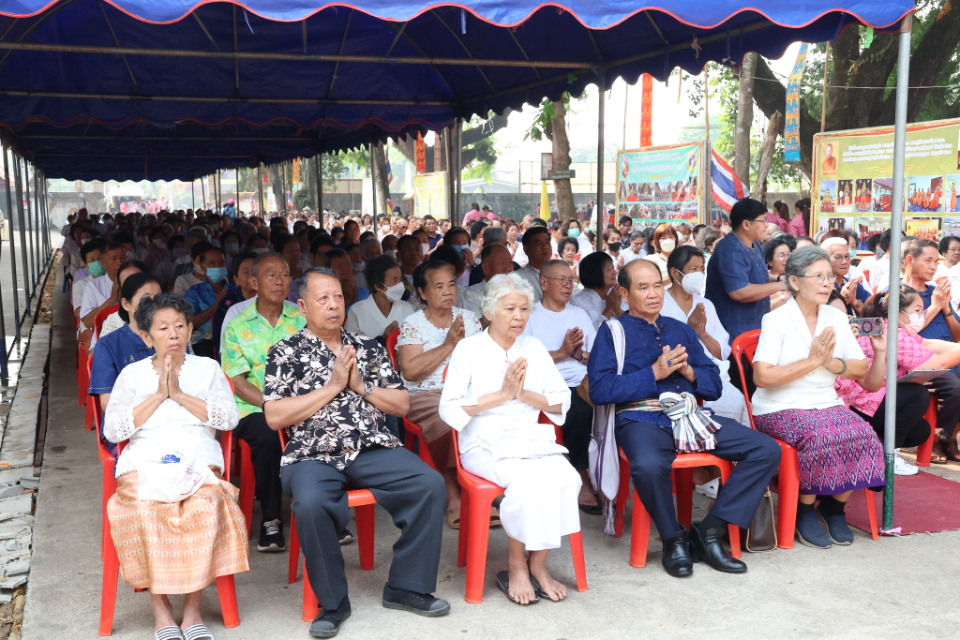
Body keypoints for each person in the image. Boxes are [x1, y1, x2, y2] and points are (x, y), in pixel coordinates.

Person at [264, 268, 449, 636]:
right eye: (323, 299)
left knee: (429, 484)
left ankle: (406, 587)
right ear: (302, 307)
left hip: (371, 447)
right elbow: (274, 417)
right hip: (312, 453)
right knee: (311, 503)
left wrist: (362, 387)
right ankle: (333, 603)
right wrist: (333, 387)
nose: (334, 305)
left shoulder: (367, 347)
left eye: (338, 297)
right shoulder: (285, 351)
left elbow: (401, 405)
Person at [588, 259, 781, 576]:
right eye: (642, 287)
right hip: (641, 418)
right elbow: (600, 390)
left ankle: (709, 532)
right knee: (649, 465)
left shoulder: (680, 330)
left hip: (691, 415)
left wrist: (690, 371)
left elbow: (714, 385)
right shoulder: (612, 333)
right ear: (624, 292)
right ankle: (672, 538)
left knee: (765, 449)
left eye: (657, 285)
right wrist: (654, 373)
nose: (653, 294)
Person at [104, 292, 246, 640]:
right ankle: (162, 610)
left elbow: (229, 419)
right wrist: (158, 395)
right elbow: (113, 430)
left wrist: (180, 394)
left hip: (197, 462)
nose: (173, 334)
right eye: (163, 328)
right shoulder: (132, 374)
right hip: (144, 462)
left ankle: (192, 610)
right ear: (146, 336)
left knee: (205, 506)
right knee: (145, 509)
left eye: (180, 326)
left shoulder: (208, 369)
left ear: (190, 329)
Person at [439, 273, 581, 604]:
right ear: (489, 311)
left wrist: (523, 394)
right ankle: (517, 565)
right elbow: (449, 408)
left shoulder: (534, 348)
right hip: (483, 441)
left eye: (524, 309)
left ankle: (538, 564)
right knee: (527, 484)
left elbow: (561, 400)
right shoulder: (468, 349)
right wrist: (502, 394)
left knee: (567, 478)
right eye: (509, 309)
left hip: (531, 439)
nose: (519, 316)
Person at [751, 246, 885, 548]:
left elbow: (860, 367)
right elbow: (762, 377)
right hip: (778, 405)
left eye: (829, 277)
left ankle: (834, 508)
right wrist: (813, 361)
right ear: (795, 282)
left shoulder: (836, 317)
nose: (827, 283)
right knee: (821, 436)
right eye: (818, 277)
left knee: (864, 434)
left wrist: (831, 363)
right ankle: (804, 510)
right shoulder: (776, 319)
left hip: (825, 402)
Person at [221, 254, 307, 552]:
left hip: (301, 403)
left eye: (285, 274)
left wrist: (300, 405)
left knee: (324, 425)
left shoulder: (302, 318)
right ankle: (271, 517)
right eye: (271, 275)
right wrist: (274, 405)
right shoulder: (237, 324)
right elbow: (238, 381)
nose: (280, 281)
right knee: (269, 436)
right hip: (254, 407)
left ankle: (326, 512)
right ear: (253, 282)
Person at [397, 262, 484, 528]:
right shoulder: (413, 324)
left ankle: (479, 482)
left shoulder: (469, 319)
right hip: (426, 392)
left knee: (488, 415)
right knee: (448, 418)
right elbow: (411, 371)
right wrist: (449, 344)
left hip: (465, 389)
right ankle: (453, 486)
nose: (448, 291)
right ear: (422, 293)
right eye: (439, 286)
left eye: (451, 284)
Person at [838, 288, 960, 472]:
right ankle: (888, 456)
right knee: (918, 394)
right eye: (917, 311)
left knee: (921, 431)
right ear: (897, 311)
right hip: (860, 406)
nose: (921, 316)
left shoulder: (889, 327)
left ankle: (871, 448)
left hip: (868, 401)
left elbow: (926, 344)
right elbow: (938, 362)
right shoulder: (893, 334)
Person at [523, 260, 601, 513]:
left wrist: (578, 355)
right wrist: (561, 353)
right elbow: (523, 363)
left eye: (571, 281)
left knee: (614, 404)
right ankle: (581, 476)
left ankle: (608, 475)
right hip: (549, 384)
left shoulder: (579, 315)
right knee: (579, 411)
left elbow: (597, 358)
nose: (568, 286)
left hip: (584, 381)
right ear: (543, 283)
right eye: (562, 280)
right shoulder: (529, 316)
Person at [705, 199, 789, 389]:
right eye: (763, 220)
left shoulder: (754, 245)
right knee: (745, 387)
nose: (767, 225)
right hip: (733, 330)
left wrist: (778, 279)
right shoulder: (731, 250)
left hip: (754, 324)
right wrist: (781, 286)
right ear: (746, 224)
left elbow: (758, 275)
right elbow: (739, 291)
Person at [662, 246, 747, 424]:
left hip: (711, 376)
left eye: (702, 269)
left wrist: (702, 333)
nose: (699, 274)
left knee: (736, 400)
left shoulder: (706, 304)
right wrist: (690, 331)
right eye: (693, 269)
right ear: (675, 273)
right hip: (675, 378)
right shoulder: (660, 304)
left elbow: (722, 353)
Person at [345, 254, 414, 342]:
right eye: (394, 280)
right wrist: (383, 338)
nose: (400, 284)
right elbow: (350, 346)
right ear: (378, 286)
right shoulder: (357, 311)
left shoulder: (407, 308)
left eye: (401, 279)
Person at [80, 239, 128, 351]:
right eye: (114, 259)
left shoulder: (137, 282)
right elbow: (87, 322)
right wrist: (112, 300)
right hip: (103, 344)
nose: (119, 263)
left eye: (122, 258)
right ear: (103, 263)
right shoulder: (94, 286)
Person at [184, 246, 229, 359]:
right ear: (203, 268)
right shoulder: (194, 292)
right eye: (212, 263)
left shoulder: (234, 291)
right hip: (204, 345)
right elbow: (189, 323)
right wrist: (216, 306)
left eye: (221, 263)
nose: (218, 266)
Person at [211, 251, 257, 347]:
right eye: (246, 272)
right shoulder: (227, 304)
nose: (252, 276)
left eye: (255, 271)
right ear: (236, 279)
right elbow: (220, 339)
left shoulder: (272, 300)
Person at [570, 251, 626, 330]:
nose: (614, 272)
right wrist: (609, 309)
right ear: (595, 273)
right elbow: (588, 334)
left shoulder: (615, 296)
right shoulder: (578, 303)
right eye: (608, 269)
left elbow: (634, 329)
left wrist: (618, 310)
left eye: (613, 268)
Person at [820, 233, 869, 316]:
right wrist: (843, 299)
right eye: (838, 257)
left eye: (847, 257)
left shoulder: (852, 285)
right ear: (825, 260)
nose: (845, 262)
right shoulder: (820, 286)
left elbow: (873, 313)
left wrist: (854, 302)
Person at [463, 244, 514, 317]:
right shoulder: (471, 294)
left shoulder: (520, 290)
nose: (508, 268)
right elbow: (475, 323)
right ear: (486, 267)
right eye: (502, 263)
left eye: (510, 262)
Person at [514, 226, 552, 303]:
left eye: (547, 242)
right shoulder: (517, 279)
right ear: (526, 249)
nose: (545, 247)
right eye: (539, 243)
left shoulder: (560, 273)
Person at [324, 248, 369, 313]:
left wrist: (355, 299)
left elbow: (365, 317)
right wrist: (347, 299)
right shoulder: (323, 295)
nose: (344, 269)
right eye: (339, 266)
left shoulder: (364, 293)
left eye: (347, 264)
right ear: (328, 269)